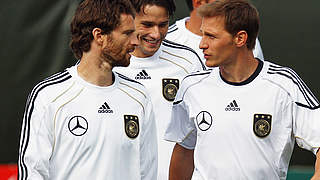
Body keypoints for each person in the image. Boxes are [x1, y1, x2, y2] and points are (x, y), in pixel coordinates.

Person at [164, 0, 320, 179]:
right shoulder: (191, 87)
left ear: (240, 38)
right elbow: (184, 151)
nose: (202, 44)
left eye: (211, 36)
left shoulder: (284, 85)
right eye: (202, 35)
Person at [17, 0, 158, 179]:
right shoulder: (49, 96)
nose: (135, 42)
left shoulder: (139, 97)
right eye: (127, 33)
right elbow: (33, 172)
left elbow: (148, 171)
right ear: (99, 36)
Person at [114, 0, 206, 179]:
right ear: (129, 19)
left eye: (163, 25)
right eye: (147, 25)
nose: (156, 34)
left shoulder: (188, 61)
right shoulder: (109, 63)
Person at [166, 0, 264, 66]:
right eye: (221, 2)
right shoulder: (166, 40)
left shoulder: (243, 38)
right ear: (199, 2)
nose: (230, 5)